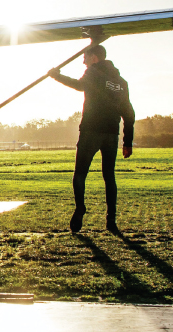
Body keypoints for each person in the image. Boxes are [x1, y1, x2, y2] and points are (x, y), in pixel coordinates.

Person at [48, 43, 135, 234]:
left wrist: (56, 76)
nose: (83, 61)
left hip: (90, 131)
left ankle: (80, 208)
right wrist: (127, 142)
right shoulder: (121, 82)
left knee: (80, 174)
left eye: (85, 57)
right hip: (112, 134)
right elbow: (129, 113)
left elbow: (78, 85)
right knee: (109, 176)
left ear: (94, 57)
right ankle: (111, 220)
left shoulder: (93, 72)